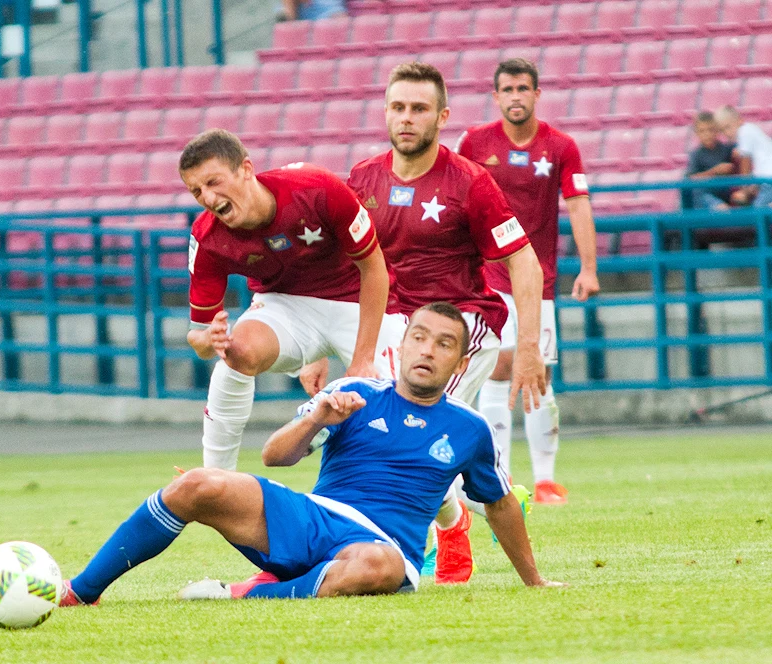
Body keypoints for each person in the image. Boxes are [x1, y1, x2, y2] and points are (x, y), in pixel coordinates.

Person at [58, 303, 563, 606]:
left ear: (460, 360)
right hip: (311, 519)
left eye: (445, 344)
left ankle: (241, 593)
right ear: (403, 345)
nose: (429, 351)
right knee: (196, 484)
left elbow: (498, 503)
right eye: (421, 338)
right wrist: (317, 417)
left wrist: (534, 581)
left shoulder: (470, 428)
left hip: (383, 547)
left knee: (379, 566)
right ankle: (81, 590)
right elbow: (274, 458)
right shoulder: (353, 393)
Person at [300, 61, 545, 584]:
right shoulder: (362, 179)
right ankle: (461, 513)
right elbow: (332, 268)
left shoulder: (470, 183)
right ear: (385, 111)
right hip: (392, 325)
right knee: (391, 434)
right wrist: (315, 347)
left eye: (419, 108)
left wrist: (528, 348)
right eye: (398, 107)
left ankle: (476, 505)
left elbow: (523, 259)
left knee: (415, 430)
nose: (407, 118)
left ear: (442, 117)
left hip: (463, 324)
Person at [180, 129, 406, 472]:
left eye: (214, 182)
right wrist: (209, 341)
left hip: (358, 302)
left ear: (246, 168)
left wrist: (360, 361)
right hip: (286, 304)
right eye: (197, 191)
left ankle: (454, 513)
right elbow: (198, 336)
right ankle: (216, 480)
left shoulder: (317, 188)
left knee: (404, 415)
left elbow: (373, 268)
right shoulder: (207, 237)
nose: (208, 198)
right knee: (235, 352)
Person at [459, 58, 600, 506]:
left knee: (538, 374)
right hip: (488, 277)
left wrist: (590, 267)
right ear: (495, 95)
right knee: (497, 369)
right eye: (508, 89)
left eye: (524, 88)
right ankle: (497, 478)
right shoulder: (474, 143)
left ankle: (544, 480)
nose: (516, 96)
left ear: (537, 94)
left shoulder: (560, 146)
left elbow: (578, 205)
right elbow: (455, 200)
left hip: (538, 279)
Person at [714, 105, 772, 209]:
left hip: (768, 181)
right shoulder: (751, 130)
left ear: (739, 120)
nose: (726, 133)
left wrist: (744, 190)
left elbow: (745, 165)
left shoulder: (744, 132)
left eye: (728, 127)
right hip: (765, 180)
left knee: (758, 211)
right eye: (722, 130)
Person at [683, 111, 738, 212]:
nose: (707, 134)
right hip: (706, 198)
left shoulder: (727, 149)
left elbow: (741, 157)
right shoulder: (696, 154)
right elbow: (691, 179)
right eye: (702, 131)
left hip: (726, 194)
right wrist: (715, 171)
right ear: (697, 133)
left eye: (710, 130)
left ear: (717, 130)